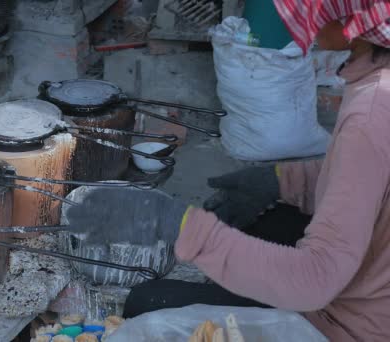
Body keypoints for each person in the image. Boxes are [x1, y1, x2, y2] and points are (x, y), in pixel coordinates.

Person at [123, 1, 390, 341]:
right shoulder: (377, 90)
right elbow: (370, 177)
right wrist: (280, 180)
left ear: (351, 18)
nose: (305, 21)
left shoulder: (373, 112)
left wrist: (178, 224)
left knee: (146, 304)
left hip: (353, 326)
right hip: (374, 283)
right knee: (260, 223)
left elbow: (316, 280)